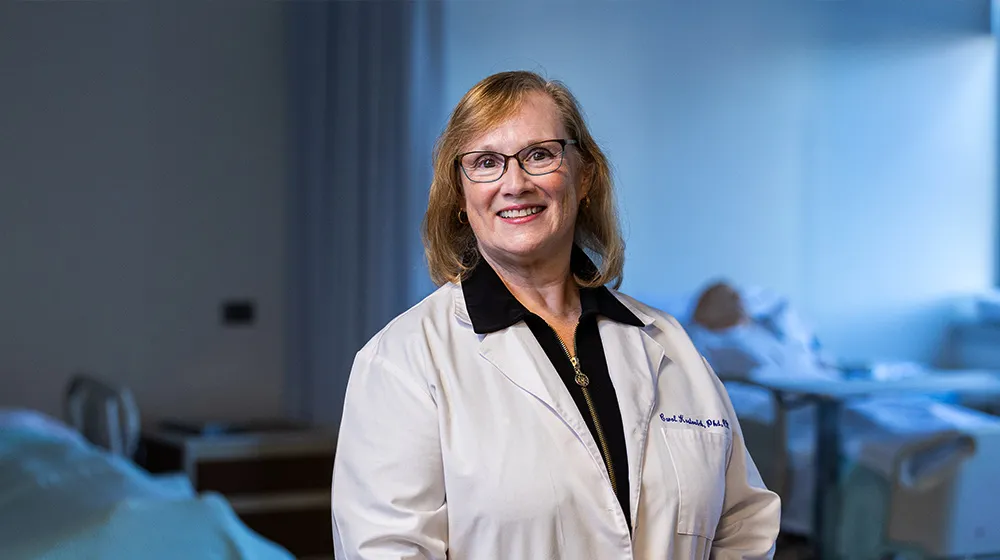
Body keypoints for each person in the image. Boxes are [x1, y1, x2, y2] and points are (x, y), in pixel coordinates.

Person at [330, 71, 781, 560]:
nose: (515, 184)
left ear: (584, 176)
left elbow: (744, 525)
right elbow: (387, 550)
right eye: (486, 163)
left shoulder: (667, 341)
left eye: (540, 155)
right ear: (460, 195)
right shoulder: (403, 361)